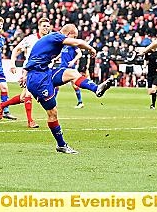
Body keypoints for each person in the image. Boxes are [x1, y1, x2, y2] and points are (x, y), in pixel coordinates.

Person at [22, 24, 114, 154]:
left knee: (72, 73)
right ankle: (61, 144)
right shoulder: (56, 36)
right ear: (68, 34)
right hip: (38, 79)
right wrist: (91, 48)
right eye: (74, 35)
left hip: (45, 72)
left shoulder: (52, 39)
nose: (74, 39)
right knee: (52, 112)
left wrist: (24, 73)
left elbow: (34, 56)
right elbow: (78, 42)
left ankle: (96, 88)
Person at [0, 17, 52, 128]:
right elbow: (16, 50)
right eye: (44, 26)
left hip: (43, 71)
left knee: (23, 98)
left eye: (47, 26)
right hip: (30, 70)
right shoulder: (30, 39)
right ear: (39, 27)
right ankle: (30, 121)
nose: (46, 28)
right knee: (29, 94)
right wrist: (12, 64)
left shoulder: (51, 40)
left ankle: (2, 105)